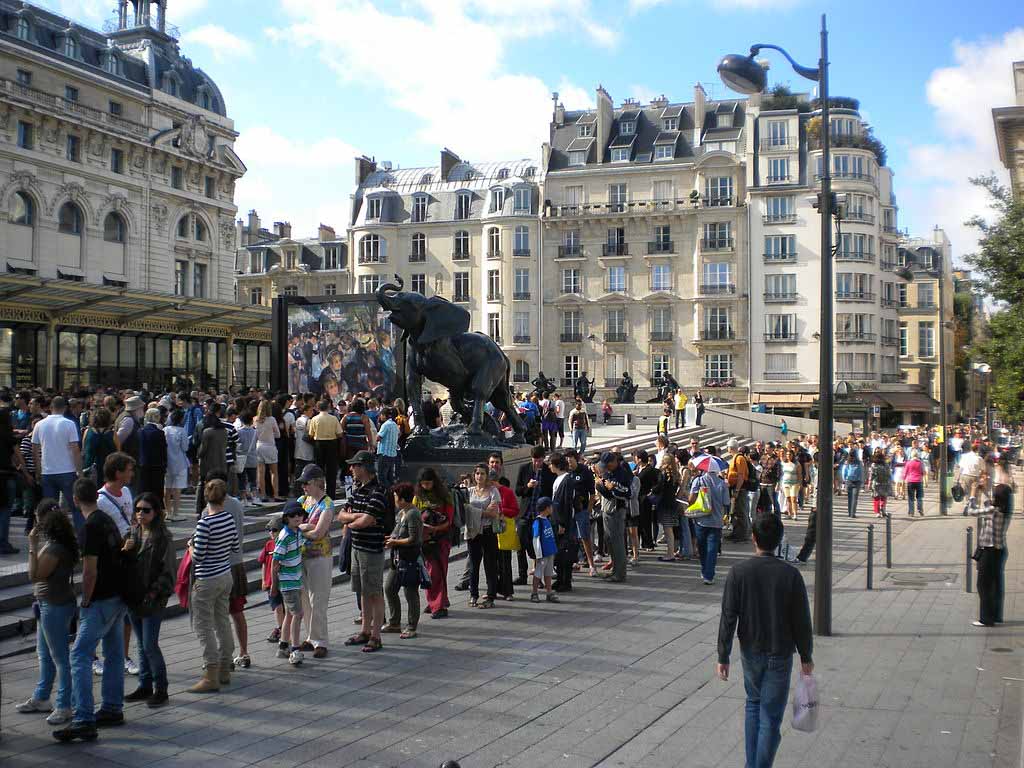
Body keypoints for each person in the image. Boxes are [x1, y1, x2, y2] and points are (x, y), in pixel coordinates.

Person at [717, 515, 814, 768]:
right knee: (770, 717)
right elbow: (801, 620)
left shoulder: (739, 572)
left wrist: (723, 655)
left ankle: (753, 764)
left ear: (753, 538)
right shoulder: (790, 575)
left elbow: (728, 616)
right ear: (779, 540)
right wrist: (806, 655)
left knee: (753, 704)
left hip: (750, 649)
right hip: (780, 652)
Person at [53, 478, 126, 743]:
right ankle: (111, 708)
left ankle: (83, 719)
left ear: (74, 500)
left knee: (80, 655)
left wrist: (85, 599)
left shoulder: (89, 527)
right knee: (115, 653)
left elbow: (90, 570)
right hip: (119, 596)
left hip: (101, 599)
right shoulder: (107, 519)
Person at [17, 498, 79, 725]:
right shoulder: (59, 543)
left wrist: (32, 545)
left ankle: (65, 705)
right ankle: (42, 697)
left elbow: (34, 575)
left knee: (59, 657)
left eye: (36, 518)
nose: (35, 523)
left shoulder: (53, 548)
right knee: (45, 654)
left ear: (44, 520)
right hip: (49, 603)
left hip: (55, 605)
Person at [123, 492, 176, 708]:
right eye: (138, 509)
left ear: (156, 513)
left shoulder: (163, 537)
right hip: (133, 597)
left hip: (152, 599)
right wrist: (124, 551)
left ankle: (161, 688)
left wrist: (153, 593)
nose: (141, 514)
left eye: (146, 510)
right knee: (141, 644)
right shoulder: (133, 533)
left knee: (149, 644)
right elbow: (125, 564)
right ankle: (144, 686)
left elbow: (168, 571)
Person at [188, 478, 240, 693]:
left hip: (207, 578)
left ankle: (211, 673)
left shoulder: (205, 523)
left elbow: (197, 556)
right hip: (225, 574)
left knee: (203, 626)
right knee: (222, 621)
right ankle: (225, 667)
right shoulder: (228, 517)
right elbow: (235, 546)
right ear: (224, 497)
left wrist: (190, 546)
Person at [337, 450, 389, 653]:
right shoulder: (358, 490)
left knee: (374, 592)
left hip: (371, 549)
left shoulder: (379, 492)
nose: (351, 469)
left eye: (354, 465)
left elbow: (364, 522)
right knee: (363, 591)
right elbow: (341, 515)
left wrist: (353, 520)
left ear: (364, 468)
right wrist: (356, 517)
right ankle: (365, 630)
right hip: (357, 547)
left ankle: (376, 635)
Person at [296, 464, 333, 658]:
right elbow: (290, 522)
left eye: (306, 483)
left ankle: (321, 640)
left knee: (318, 599)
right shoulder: (303, 501)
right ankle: (311, 637)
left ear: (317, 483)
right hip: (302, 555)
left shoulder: (327, 503)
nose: (303, 487)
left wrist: (301, 528)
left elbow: (319, 533)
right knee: (305, 600)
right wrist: (307, 526)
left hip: (321, 556)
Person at [32, 396, 83, 535]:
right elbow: (75, 449)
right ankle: (81, 537)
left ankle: (52, 536)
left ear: (50, 407)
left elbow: (35, 449)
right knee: (76, 507)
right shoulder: (69, 424)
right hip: (67, 470)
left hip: (47, 471)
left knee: (49, 508)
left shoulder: (39, 424)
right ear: (65, 408)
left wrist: (38, 470)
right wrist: (80, 471)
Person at [383, 482, 423, 639]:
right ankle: (395, 622)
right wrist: (388, 539)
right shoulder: (401, 514)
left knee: (410, 592)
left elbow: (413, 538)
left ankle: (412, 626)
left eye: (395, 497)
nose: (394, 500)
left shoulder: (413, 514)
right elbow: (396, 533)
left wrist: (395, 542)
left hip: (410, 559)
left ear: (403, 499)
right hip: (398, 559)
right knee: (389, 588)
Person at [974, 471, 1011, 628]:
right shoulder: (1004, 509)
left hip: (989, 551)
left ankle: (986, 619)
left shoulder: (993, 511)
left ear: (998, 497)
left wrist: (972, 494)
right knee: (996, 585)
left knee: (983, 585)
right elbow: (990, 503)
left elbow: (970, 511)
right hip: (1000, 550)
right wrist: (983, 491)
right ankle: (996, 616)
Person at [272, 501, 306, 665]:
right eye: (293, 515)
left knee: (291, 614)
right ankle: (295, 649)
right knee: (298, 614)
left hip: (296, 578)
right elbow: (275, 562)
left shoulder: (298, 532)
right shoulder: (285, 536)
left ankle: (283, 645)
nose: (297, 517)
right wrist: (273, 584)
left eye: (300, 514)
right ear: (286, 518)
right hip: (288, 581)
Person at [465, 464, 502, 608]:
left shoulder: (493, 491)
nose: (479, 476)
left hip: (488, 530)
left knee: (490, 564)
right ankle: (473, 594)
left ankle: (491, 595)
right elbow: (464, 509)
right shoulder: (469, 491)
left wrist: (474, 510)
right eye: (477, 473)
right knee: (474, 564)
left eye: (482, 474)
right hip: (473, 531)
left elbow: (494, 513)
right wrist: (483, 511)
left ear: (487, 476)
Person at [488, 453, 520, 600]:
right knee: (491, 563)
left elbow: (515, 510)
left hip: (503, 531)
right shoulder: (484, 492)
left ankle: (507, 591)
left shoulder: (506, 491)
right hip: (488, 531)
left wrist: (500, 511)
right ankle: (492, 591)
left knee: (505, 562)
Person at [689, 463, 727, 585]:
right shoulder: (722, 483)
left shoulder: (698, 480)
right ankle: (709, 575)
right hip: (716, 520)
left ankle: (705, 569)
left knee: (702, 547)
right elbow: (726, 502)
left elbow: (691, 499)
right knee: (712, 548)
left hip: (700, 519)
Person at [595, 451, 631, 582]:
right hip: (607, 509)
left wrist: (609, 487)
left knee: (617, 543)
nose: (606, 468)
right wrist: (601, 483)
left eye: (607, 465)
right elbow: (605, 488)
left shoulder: (621, 473)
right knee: (609, 541)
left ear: (613, 462)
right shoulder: (608, 472)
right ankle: (615, 569)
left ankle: (620, 573)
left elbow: (627, 492)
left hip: (616, 510)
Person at [548, 452, 576, 593]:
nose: (549, 466)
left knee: (564, 552)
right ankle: (560, 579)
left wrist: (562, 524)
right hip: (556, 519)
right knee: (558, 553)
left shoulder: (567, 480)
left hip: (562, 522)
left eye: (550, 464)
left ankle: (566, 581)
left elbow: (566, 504)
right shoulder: (558, 479)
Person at [258, 515, 285, 643]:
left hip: (284, 581)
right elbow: (263, 562)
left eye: (274, 530)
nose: (271, 533)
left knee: (285, 607)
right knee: (277, 607)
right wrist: (264, 580)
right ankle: (280, 628)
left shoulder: (285, 543)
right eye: (270, 530)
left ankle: (283, 629)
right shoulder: (269, 545)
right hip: (270, 581)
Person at [308, 399, 343, 499]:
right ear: (328, 407)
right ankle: (331, 494)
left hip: (319, 443)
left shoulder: (314, 419)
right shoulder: (333, 418)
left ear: (318, 408)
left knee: (319, 469)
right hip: (331, 443)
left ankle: (319, 492)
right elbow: (339, 433)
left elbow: (311, 434)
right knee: (331, 470)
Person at [654, 453, 682, 563]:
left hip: (665, 503)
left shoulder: (663, 474)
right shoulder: (676, 474)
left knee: (668, 530)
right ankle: (671, 552)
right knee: (670, 530)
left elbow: (658, 488)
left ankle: (670, 554)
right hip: (672, 503)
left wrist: (652, 491)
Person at [530, 497, 559, 603]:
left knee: (548, 573)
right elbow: (536, 538)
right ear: (547, 508)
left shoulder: (547, 520)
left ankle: (549, 592)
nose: (552, 509)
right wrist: (538, 555)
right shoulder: (538, 521)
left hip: (550, 552)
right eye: (551, 507)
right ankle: (534, 593)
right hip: (542, 554)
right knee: (538, 573)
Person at [163, 409, 189, 522]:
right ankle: (176, 512)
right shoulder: (182, 430)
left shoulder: (165, 430)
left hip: (167, 462)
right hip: (179, 462)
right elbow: (185, 447)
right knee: (177, 489)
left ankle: (168, 512)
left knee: (167, 488)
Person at [255, 400, 282, 503]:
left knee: (261, 472)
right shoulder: (272, 419)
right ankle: (276, 494)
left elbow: (255, 435)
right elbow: (278, 434)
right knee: (274, 472)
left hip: (259, 446)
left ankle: (263, 494)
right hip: (270, 446)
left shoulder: (256, 419)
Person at [82, 408, 116, 488]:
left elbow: (84, 450)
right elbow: (118, 451)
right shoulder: (112, 434)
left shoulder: (87, 432)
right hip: (108, 469)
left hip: (90, 468)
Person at [137, 409, 167, 497]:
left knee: (143, 490)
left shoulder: (140, 432)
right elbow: (163, 450)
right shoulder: (159, 433)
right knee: (156, 493)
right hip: (157, 465)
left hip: (143, 464)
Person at [375, 406, 401, 490]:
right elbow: (399, 434)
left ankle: (388, 493)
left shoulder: (385, 425)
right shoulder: (395, 425)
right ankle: (393, 494)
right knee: (390, 477)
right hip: (392, 454)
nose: (380, 417)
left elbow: (378, 438)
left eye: (381, 415)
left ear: (383, 415)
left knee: (382, 478)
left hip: (384, 454)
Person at [868, 449, 891, 519]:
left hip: (876, 483)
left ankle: (877, 512)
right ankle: (883, 508)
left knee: (876, 498)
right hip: (885, 483)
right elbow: (889, 474)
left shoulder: (874, 465)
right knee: (884, 497)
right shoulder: (886, 464)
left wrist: (869, 483)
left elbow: (871, 475)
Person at [841, 451, 863, 518]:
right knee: (855, 498)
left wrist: (844, 480)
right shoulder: (859, 462)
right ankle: (853, 513)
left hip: (849, 481)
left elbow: (844, 471)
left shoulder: (847, 462)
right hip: (857, 481)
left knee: (849, 498)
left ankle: (850, 512)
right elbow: (861, 472)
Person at [904, 449, 925, 517]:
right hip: (919, 481)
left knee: (911, 497)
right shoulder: (920, 463)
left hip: (910, 481)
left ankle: (911, 512)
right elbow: (923, 472)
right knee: (919, 497)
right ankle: (920, 509)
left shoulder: (908, 463)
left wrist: (904, 479)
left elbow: (905, 472)